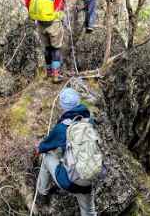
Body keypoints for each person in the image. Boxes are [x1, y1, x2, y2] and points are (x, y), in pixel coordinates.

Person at [23, 0, 108, 83]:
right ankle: (56, 75)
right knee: (56, 49)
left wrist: (33, 13)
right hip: (54, 22)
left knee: (47, 48)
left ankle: (48, 73)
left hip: (40, 22)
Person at [34, 88, 97, 216]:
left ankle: (42, 192)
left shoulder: (62, 128)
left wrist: (38, 148)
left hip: (69, 181)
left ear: (63, 107)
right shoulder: (89, 120)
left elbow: (42, 148)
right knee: (89, 212)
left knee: (46, 158)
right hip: (89, 178)